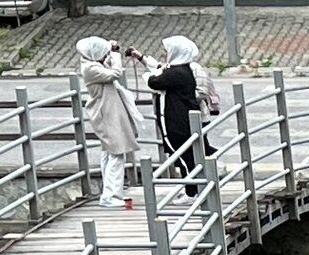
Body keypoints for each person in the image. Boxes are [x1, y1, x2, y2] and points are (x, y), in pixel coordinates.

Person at [75, 30, 145, 204]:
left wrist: (108, 49)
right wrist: (114, 54)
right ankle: (111, 196)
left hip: (107, 111)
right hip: (106, 113)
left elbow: (107, 66)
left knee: (110, 151)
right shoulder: (91, 69)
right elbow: (115, 73)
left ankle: (110, 192)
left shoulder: (91, 63)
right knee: (117, 152)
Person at [149, 30, 222, 177]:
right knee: (192, 152)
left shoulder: (176, 73)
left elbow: (154, 82)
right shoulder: (183, 70)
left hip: (179, 120)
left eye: (167, 51)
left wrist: (153, 75)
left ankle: (192, 190)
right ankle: (198, 184)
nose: (164, 54)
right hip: (186, 118)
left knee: (183, 154)